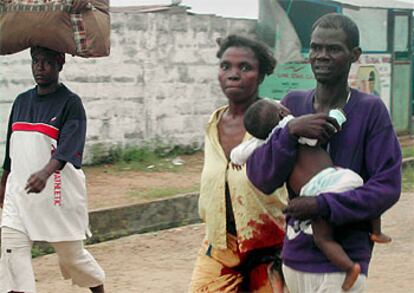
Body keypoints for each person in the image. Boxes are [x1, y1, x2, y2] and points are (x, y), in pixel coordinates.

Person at [246, 13, 402, 293]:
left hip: (343, 264)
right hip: (294, 258)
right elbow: (260, 176)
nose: (321, 56)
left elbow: (387, 187)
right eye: (316, 47)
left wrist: (323, 206)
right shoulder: (290, 107)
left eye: (333, 49)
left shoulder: (370, 110)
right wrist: (291, 130)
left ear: (355, 55)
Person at [231, 99, 392, 290]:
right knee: (367, 197)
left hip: (316, 192)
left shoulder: (266, 145)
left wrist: (235, 159)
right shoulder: (297, 126)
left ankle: (349, 268)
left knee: (323, 238)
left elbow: (241, 152)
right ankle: (376, 231)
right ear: (282, 113)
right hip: (339, 176)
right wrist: (338, 115)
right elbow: (322, 132)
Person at [0, 46, 105, 293]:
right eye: (36, 61)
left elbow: (69, 148)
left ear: (60, 63)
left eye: (46, 62)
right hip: (20, 194)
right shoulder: (21, 101)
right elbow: (11, 147)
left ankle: (98, 288)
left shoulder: (70, 103)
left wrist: (45, 174)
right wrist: (4, 180)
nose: (40, 67)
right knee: (11, 252)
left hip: (57, 198)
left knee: (73, 258)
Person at [189, 35, 288, 293]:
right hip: (220, 246)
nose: (233, 74)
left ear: (262, 74)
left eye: (245, 67)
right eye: (226, 67)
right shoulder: (213, 122)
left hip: (271, 249)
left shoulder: (277, 121)